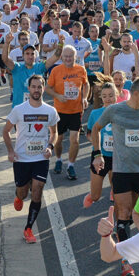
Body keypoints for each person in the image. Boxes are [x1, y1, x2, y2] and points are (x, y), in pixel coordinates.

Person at [91, 76, 139, 276]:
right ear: (137, 93)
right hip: (120, 168)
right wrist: (97, 154)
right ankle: (125, 260)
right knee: (123, 210)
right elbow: (95, 128)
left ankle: (125, 238)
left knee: (135, 213)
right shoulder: (114, 110)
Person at [4, 75, 58, 244]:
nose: (36, 90)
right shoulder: (19, 110)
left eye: (39, 87)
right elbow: (5, 131)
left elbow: (54, 133)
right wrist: (11, 151)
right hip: (21, 158)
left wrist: (50, 147)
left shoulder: (50, 111)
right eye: (33, 87)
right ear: (29, 89)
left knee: (37, 191)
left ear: (43, 89)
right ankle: (18, 196)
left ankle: (28, 229)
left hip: (41, 158)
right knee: (23, 191)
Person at [46, 45, 90, 180]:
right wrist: (58, 96)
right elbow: (47, 88)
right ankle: (58, 160)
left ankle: (71, 165)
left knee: (74, 140)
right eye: (65, 56)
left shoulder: (81, 69)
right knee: (58, 141)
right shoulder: (56, 70)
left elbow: (86, 84)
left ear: (75, 57)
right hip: (60, 111)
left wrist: (84, 98)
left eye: (70, 56)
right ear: (61, 57)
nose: (68, 58)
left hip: (76, 110)